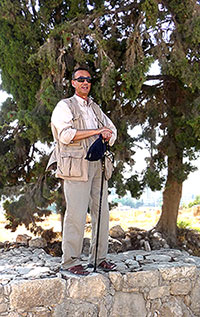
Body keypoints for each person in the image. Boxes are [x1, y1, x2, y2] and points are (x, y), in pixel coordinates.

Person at [47, 67, 117, 275]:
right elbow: (65, 135)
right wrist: (97, 131)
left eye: (88, 79)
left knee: (102, 213)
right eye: (81, 79)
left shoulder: (96, 108)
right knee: (76, 215)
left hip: (99, 165)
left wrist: (107, 135)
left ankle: (99, 258)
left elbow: (112, 131)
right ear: (73, 83)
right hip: (76, 166)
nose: (85, 82)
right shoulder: (64, 106)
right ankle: (70, 262)